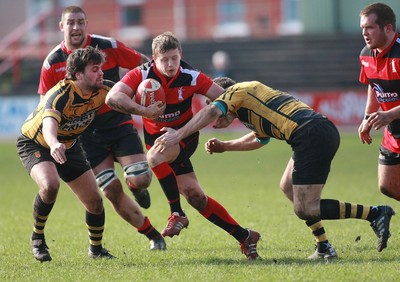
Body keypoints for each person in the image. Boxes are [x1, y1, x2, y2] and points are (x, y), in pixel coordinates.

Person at [155, 77, 395, 260]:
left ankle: (375, 213)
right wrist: (225, 146)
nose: (215, 118)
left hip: (311, 134)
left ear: (222, 97)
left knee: (305, 207)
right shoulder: (250, 109)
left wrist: (179, 134)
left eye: (214, 105)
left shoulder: (238, 91)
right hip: (311, 133)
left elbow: (210, 112)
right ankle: (324, 247)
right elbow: (259, 139)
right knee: (287, 187)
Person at [106, 32, 261, 260]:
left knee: (154, 158)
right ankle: (245, 236)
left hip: (184, 139)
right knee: (196, 197)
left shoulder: (192, 77)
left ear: (181, 56)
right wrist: (144, 111)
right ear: (154, 58)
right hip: (158, 141)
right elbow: (112, 97)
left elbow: (226, 99)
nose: (170, 64)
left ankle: (176, 213)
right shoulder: (142, 74)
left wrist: (226, 118)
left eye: (174, 59)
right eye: (165, 59)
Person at [38, 6, 166, 251]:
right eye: (70, 23)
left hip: (117, 122)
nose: (75, 28)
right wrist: (49, 140)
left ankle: (135, 185)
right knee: (110, 190)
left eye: (80, 22)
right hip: (85, 134)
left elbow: (144, 64)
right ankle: (153, 235)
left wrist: (144, 88)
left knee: (140, 179)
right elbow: (45, 104)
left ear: (87, 24)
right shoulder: (52, 62)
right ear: (61, 27)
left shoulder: (108, 46)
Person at [16, 46, 116, 261]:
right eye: (95, 69)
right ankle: (38, 238)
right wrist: (53, 144)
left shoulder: (104, 90)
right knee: (50, 185)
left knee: (95, 201)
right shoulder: (60, 94)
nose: (101, 73)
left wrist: (146, 108)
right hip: (37, 143)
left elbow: (127, 96)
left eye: (101, 68)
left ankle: (96, 251)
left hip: (69, 145)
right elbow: (49, 123)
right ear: (79, 74)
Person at [359, 4, 400, 202]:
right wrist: (367, 118)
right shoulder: (366, 54)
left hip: (392, 119)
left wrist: (389, 114)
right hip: (394, 131)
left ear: (388, 28)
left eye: (370, 27)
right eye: (362, 28)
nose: (365, 33)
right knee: (388, 185)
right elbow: (373, 86)